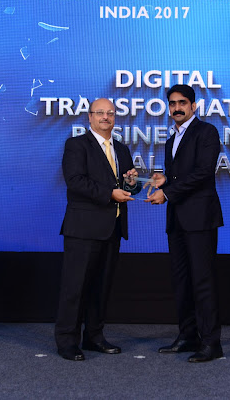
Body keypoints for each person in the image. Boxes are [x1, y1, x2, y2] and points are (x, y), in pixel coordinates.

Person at [55, 98, 140, 361]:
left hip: (112, 229)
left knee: (101, 288)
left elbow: (127, 186)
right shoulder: (76, 145)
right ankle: (67, 341)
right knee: (75, 288)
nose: (106, 117)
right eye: (100, 112)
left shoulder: (122, 149)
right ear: (89, 117)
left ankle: (94, 337)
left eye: (110, 113)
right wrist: (110, 193)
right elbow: (75, 181)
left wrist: (132, 184)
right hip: (83, 229)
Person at [145, 84, 224, 363]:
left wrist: (167, 193)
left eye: (182, 103)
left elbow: (203, 173)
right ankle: (188, 336)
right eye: (172, 103)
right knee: (181, 281)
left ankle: (211, 342)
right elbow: (180, 176)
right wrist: (164, 180)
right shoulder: (171, 140)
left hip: (200, 219)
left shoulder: (207, 132)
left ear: (194, 106)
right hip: (177, 219)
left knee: (202, 281)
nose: (177, 108)